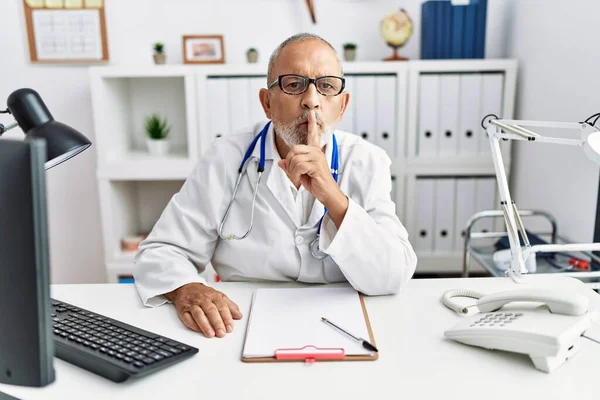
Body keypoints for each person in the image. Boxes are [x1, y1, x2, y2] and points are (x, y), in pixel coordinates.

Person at [133, 32, 418, 339]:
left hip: (343, 323)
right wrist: (186, 288)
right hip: (239, 320)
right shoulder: (226, 157)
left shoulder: (366, 160)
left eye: (326, 86)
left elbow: (392, 275)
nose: (311, 100)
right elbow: (161, 251)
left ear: (342, 105)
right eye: (294, 84)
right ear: (267, 102)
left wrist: (333, 197)